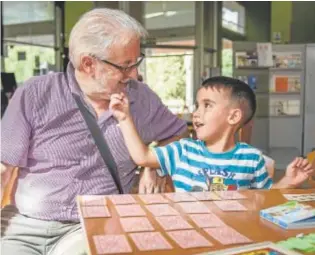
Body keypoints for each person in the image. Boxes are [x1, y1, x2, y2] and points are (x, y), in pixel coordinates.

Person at [1, 8, 187, 255]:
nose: (135, 74)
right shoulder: (35, 94)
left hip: (94, 225)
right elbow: (4, 168)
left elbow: (178, 133)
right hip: (26, 224)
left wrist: (154, 165)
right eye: (125, 65)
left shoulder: (142, 99)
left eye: (136, 62)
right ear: (88, 63)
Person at [110, 76, 314, 192]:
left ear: (233, 117)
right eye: (197, 105)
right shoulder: (183, 150)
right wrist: (124, 118)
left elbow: (264, 197)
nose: (196, 113)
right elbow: (142, 157)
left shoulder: (252, 159)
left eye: (207, 105)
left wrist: (288, 181)